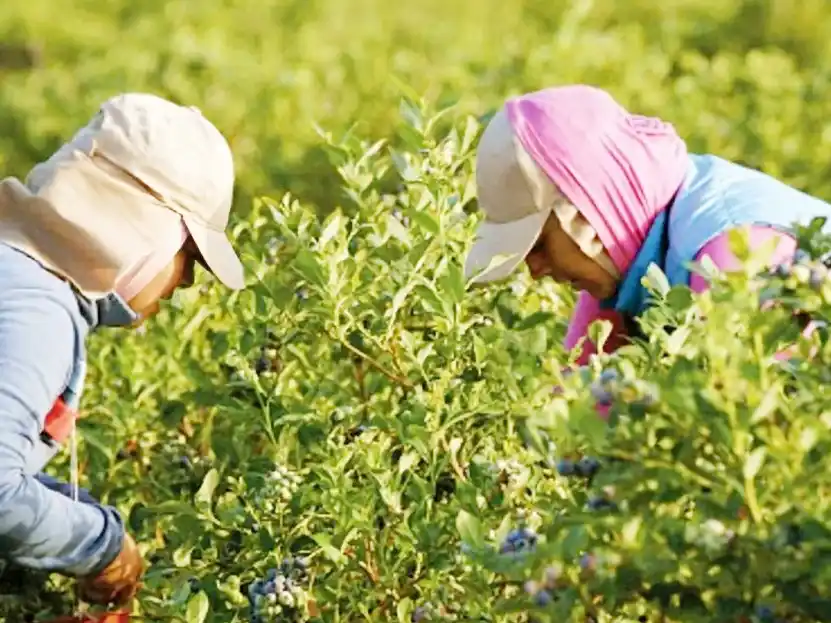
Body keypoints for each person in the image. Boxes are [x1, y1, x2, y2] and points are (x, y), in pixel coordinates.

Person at [0, 93, 245, 605]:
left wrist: (64, 506)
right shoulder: (38, 314)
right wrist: (100, 546)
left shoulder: (17, 277)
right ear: (145, 230)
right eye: (188, 257)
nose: (185, 284)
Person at [464, 84, 831, 367]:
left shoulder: (731, 252)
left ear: (585, 212)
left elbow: (767, 423)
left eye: (539, 244)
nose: (535, 269)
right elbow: (577, 420)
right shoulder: (624, 269)